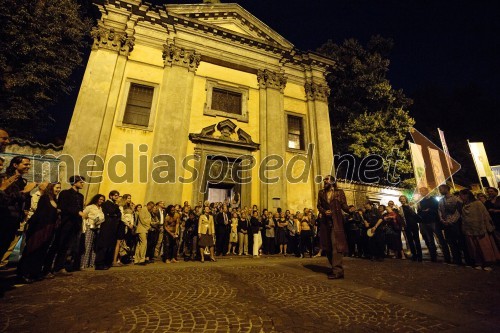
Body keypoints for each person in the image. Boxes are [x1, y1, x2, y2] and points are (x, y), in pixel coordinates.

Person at [17, 182, 62, 282]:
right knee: (33, 249)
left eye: (60, 188)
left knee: (42, 251)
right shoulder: (45, 198)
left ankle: (35, 273)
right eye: (57, 187)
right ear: (51, 187)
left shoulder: (54, 199)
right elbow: (40, 214)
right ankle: (24, 274)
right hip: (40, 228)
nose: (58, 189)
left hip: (49, 229)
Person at [0, 156, 36, 261]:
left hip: (13, 220)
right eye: (25, 164)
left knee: (4, 248)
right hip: (4, 218)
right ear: (15, 165)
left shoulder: (22, 181)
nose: (28, 166)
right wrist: (25, 191)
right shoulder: (5, 178)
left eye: (29, 164)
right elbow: (7, 198)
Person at [50, 175, 85, 275]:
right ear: (74, 183)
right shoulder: (65, 193)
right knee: (59, 244)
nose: (82, 184)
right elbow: (63, 207)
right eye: (81, 182)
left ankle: (60, 267)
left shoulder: (80, 196)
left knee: (68, 246)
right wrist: (77, 212)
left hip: (75, 224)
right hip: (66, 223)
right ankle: (49, 267)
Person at [317, 176, 349, 279]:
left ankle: (337, 270)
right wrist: (324, 211)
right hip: (325, 223)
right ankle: (335, 268)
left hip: (336, 222)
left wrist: (350, 210)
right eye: (324, 180)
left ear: (332, 181)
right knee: (327, 246)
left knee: (336, 245)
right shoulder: (321, 192)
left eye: (326, 179)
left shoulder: (339, 192)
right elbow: (319, 205)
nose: (324, 181)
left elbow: (344, 205)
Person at [459, 189, 500, 271]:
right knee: (474, 247)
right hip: (470, 229)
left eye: (462, 195)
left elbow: (485, 215)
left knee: (484, 246)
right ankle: (479, 262)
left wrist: (488, 226)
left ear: (467, 195)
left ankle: (487, 263)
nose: (460, 197)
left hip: (480, 228)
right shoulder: (463, 205)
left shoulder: (478, 203)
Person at [438, 184, 466, 265]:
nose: (440, 191)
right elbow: (439, 211)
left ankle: (466, 259)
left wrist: (452, 221)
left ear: (447, 189)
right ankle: (456, 259)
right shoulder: (440, 201)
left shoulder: (456, 199)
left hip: (455, 224)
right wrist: (442, 220)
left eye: (441, 189)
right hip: (446, 224)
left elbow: (458, 211)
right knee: (450, 242)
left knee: (460, 241)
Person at [94, 190, 121, 270]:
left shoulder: (114, 205)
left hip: (112, 228)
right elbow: (111, 211)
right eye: (115, 195)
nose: (117, 197)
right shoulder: (106, 204)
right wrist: (114, 213)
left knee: (110, 246)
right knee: (103, 246)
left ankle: (106, 263)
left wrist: (114, 214)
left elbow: (119, 214)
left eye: (118, 195)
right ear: (111, 196)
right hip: (106, 227)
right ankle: (99, 264)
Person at [80, 194, 105, 270]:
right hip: (90, 227)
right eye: (100, 199)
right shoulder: (90, 207)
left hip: (97, 228)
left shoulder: (101, 208)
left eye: (103, 200)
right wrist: (88, 219)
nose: (101, 201)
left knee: (94, 247)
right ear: (96, 199)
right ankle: (84, 264)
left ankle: (92, 264)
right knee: (87, 245)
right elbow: (83, 214)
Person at [417, 187, 442, 262]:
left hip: (434, 221)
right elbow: (419, 212)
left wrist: (429, 210)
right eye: (420, 191)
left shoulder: (433, 200)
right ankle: (433, 257)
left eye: (423, 191)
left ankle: (447, 256)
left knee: (439, 239)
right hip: (425, 222)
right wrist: (422, 212)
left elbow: (437, 209)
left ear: (427, 191)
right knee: (430, 240)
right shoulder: (421, 202)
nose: (421, 192)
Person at [398, 195, 423, 261]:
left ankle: (420, 256)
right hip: (407, 225)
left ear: (406, 199)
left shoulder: (411, 205)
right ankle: (414, 255)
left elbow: (416, 213)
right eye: (401, 199)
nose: (402, 200)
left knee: (417, 240)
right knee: (410, 241)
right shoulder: (400, 208)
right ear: (400, 200)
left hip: (414, 224)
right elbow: (401, 217)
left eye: (403, 199)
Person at [114, 194, 133, 267]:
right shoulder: (121, 207)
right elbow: (122, 217)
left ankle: (120, 259)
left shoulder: (129, 207)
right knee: (119, 243)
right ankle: (115, 260)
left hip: (128, 226)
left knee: (124, 243)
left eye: (130, 198)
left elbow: (131, 216)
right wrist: (128, 224)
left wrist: (131, 223)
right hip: (122, 225)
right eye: (128, 198)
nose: (129, 199)